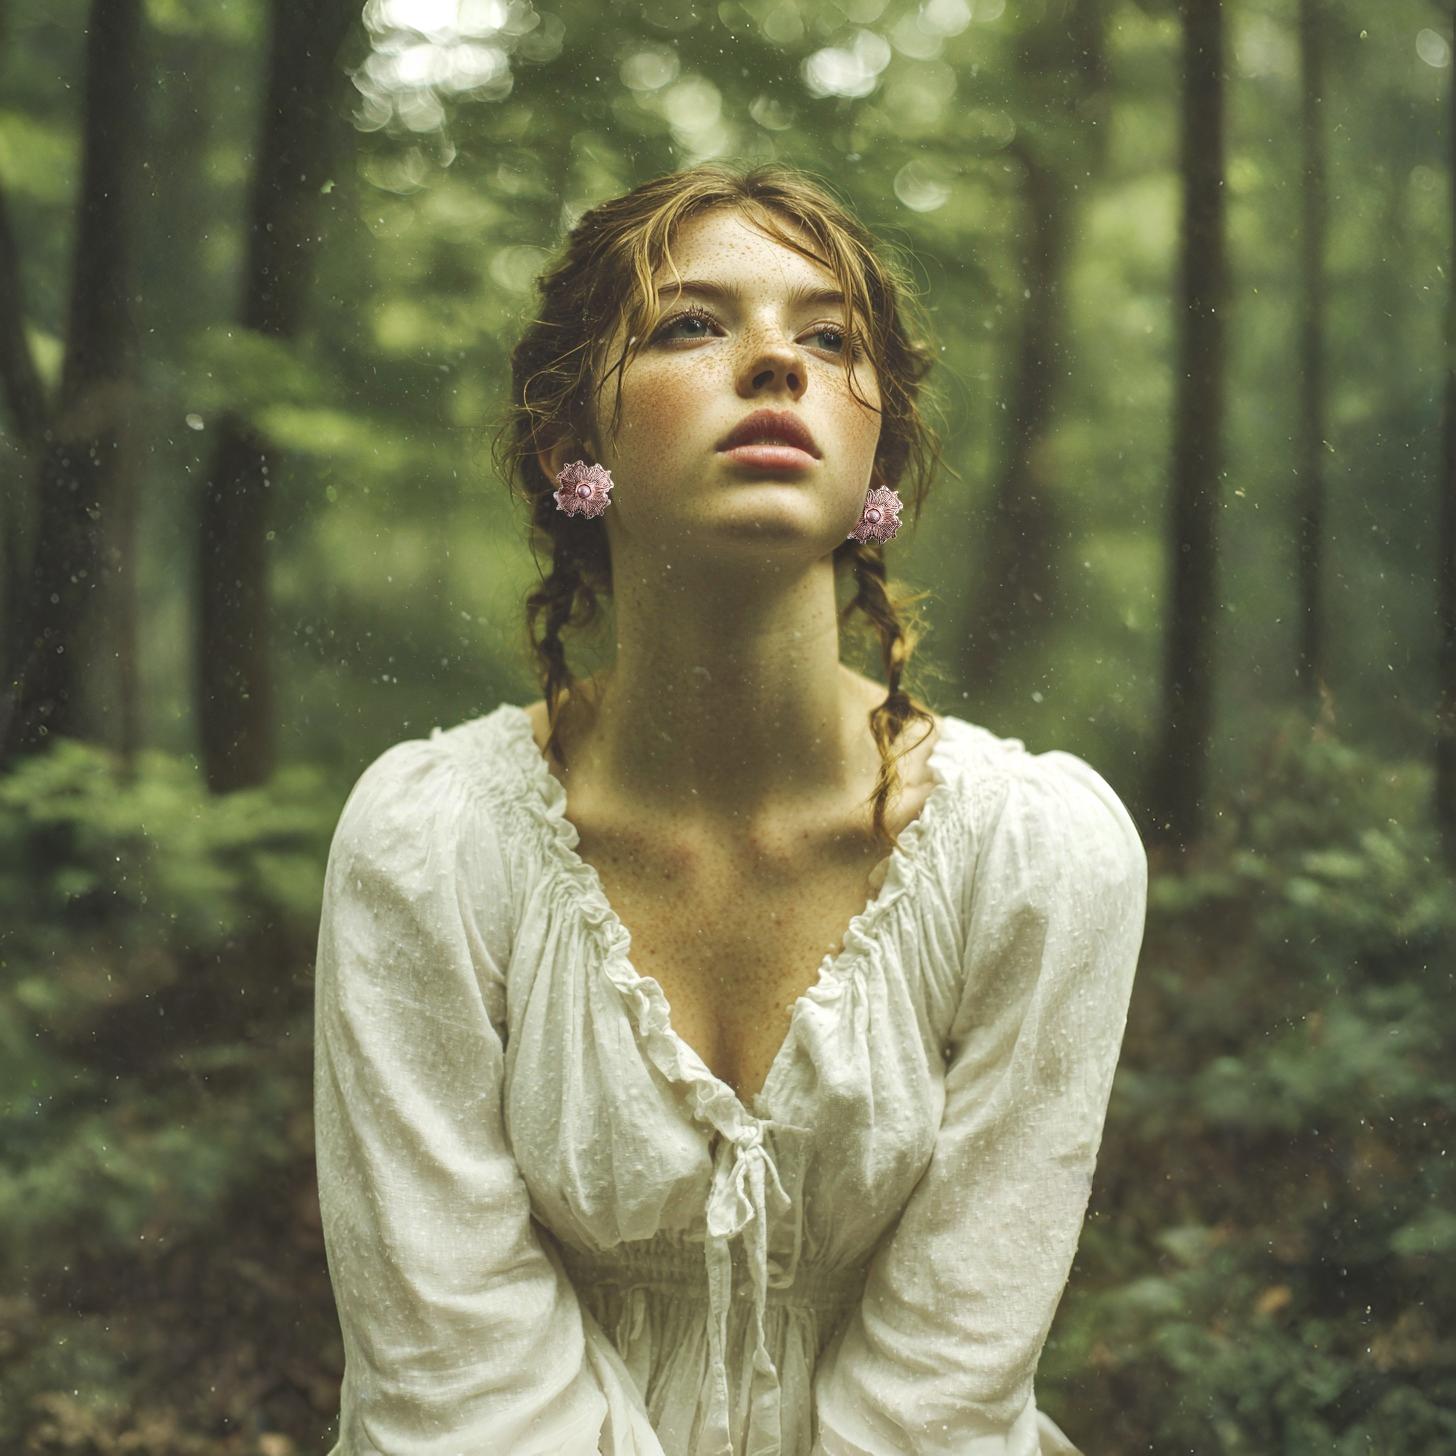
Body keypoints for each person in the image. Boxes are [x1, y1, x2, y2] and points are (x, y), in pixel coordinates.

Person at [312, 160, 1148, 1456]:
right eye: (693, 325)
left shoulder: (1035, 859)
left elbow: (944, 1393)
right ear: (568, 448)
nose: (777, 365)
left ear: (878, 454)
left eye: (828, 337)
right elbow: (456, 1389)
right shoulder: (429, 848)